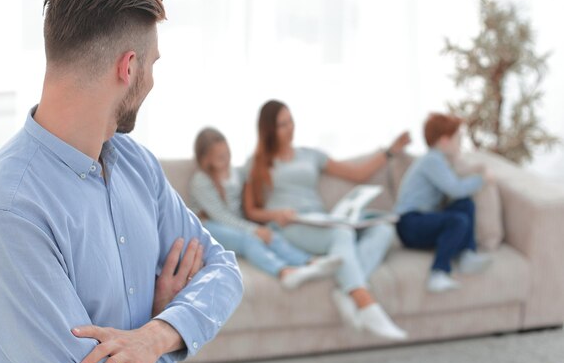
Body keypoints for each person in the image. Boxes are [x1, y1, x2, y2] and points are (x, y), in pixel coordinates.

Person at [0, 0, 243, 363]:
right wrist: (170, 334)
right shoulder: (3, 210)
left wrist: (156, 334)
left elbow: (223, 271)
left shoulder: (137, 165)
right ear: (129, 66)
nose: (153, 80)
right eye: (153, 64)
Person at [243, 99, 410, 340]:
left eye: (291, 121)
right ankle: (366, 304)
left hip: (322, 220)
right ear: (269, 130)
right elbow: (250, 210)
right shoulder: (256, 163)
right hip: (290, 225)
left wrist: (390, 151)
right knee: (342, 233)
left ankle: (346, 289)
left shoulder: (311, 155)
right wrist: (275, 214)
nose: (290, 128)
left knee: (383, 229)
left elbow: (357, 174)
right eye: (282, 124)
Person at [190, 127, 342, 289]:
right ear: (206, 160)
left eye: (227, 154)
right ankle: (284, 271)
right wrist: (253, 229)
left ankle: (310, 262)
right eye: (220, 158)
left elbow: (254, 171)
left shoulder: (236, 174)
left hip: (234, 226)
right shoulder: (201, 181)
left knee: (270, 234)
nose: (226, 161)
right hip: (209, 228)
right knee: (249, 239)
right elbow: (221, 217)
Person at [394, 113, 492, 293]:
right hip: (409, 224)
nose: (461, 143)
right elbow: (455, 188)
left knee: (465, 204)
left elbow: (458, 193)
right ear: (445, 140)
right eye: (458, 138)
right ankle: (438, 273)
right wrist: (481, 180)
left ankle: (466, 255)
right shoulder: (432, 160)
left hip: (422, 219)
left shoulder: (440, 160)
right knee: (457, 220)